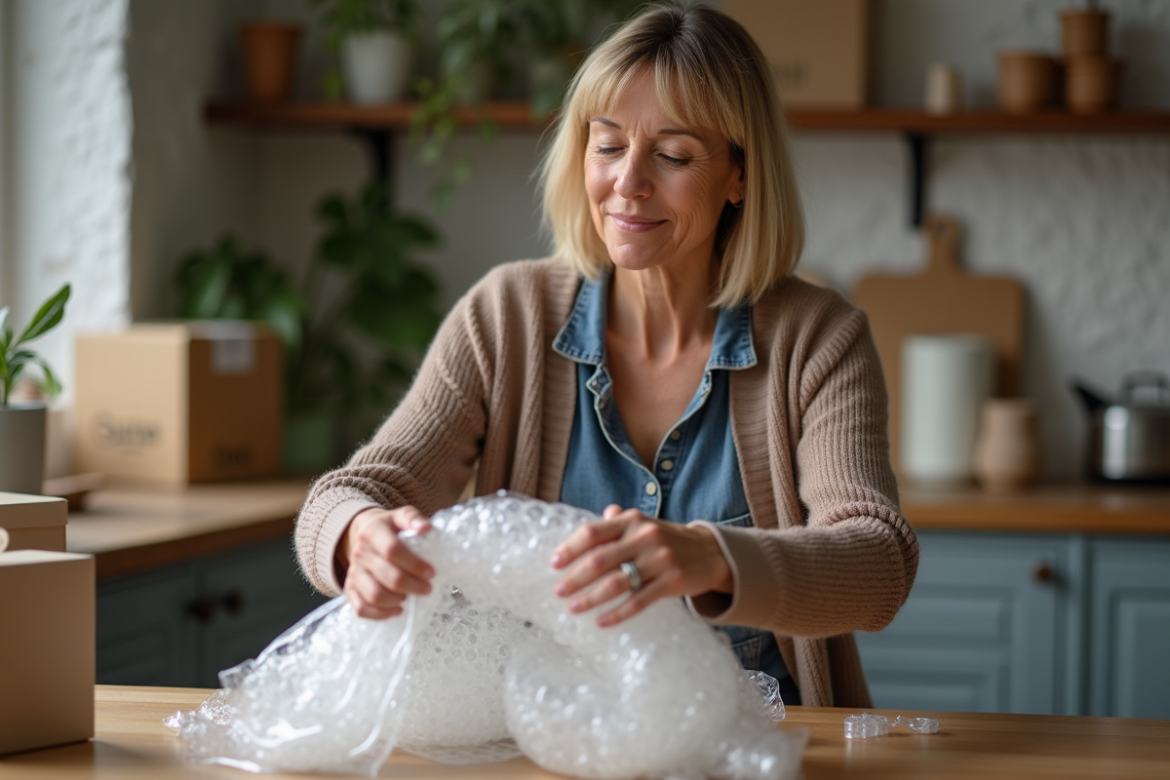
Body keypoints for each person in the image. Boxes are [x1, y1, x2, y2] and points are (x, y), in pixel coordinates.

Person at [294, 3, 918, 709]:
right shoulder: (506, 317)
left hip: (759, 744)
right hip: (541, 740)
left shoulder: (818, 339)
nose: (628, 182)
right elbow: (348, 497)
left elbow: (878, 561)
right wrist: (361, 537)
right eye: (608, 145)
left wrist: (709, 556)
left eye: (674, 155)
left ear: (738, 176)